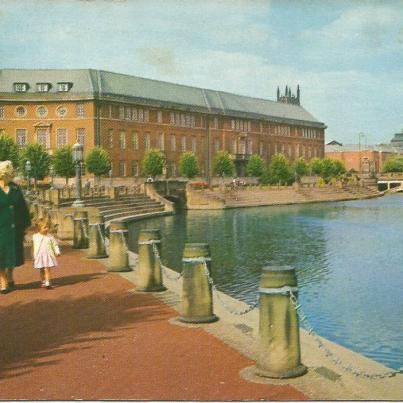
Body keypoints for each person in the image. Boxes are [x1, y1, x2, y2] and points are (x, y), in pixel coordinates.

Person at [0, 160, 31, 294]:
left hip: (14, 229)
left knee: (12, 254)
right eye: (8, 174)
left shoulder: (15, 188)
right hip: (1, 228)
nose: (10, 176)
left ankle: (10, 275)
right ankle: (3, 281)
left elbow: (23, 207)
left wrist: (25, 224)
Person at [32, 218, 60, 289]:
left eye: (47, 227)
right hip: (39, 256)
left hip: (48, 255)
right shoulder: (35, 236)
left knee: (47, 269)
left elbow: (55, 244)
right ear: (39, 229)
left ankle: (48, 282)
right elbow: (33, 246)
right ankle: (43, 281)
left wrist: (57, 251)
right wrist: (33, 255)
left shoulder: (50, 236)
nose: (47, 229)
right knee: (41, 269)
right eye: (44, 227)